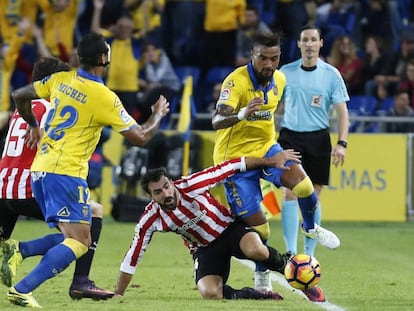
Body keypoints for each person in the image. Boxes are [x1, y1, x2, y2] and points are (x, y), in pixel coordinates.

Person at [4, 32, 169, 308]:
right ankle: (22, 288)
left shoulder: (60, 79)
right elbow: (140, 137)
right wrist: (157, 115)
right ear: (104, 59)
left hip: (41, 170)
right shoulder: (104, 97)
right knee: (80, 242)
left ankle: (20, 251)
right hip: (66, 172)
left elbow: (19, 94)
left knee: (73, 234)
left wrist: (34, 123)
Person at [211, 31, 340, 302]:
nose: (269, 64)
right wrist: (242, 113)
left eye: (275, 58)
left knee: (305, 186)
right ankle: (262, 278)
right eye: (263, 58)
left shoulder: (279, 80)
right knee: (263, 230)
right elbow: (217, 120)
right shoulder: (236, 81)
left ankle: (310, 227)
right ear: (252, 56)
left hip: (268, 149)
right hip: (234, 161)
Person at [0, 56, 115, 300]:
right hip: (29, 185)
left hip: (4, 186)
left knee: (74, 234)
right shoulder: (53, 107)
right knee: (88, 221)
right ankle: (77, 280)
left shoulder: (19, 110)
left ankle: (19, 250)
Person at [115, 152, 302, 300]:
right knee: (210, 293)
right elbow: (134, 254)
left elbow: (230, 166)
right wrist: (119, 293)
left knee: (256, 250)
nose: (166, 193)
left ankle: (291, 269)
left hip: (230, 230)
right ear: (151, 197)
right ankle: (253, 295)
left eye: (166, 186)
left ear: (171, 183)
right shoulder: (151, 218)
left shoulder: (192, 184)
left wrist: (270, 161)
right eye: (158, 192)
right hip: (205, 249)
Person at [277, 25, 350, 302]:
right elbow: (273, 105)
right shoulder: (285, 73)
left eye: (313, 40)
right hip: (291, 139)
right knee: (289, 192)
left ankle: (309, 256)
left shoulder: (331, 75)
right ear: (298, 44)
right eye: (304, 40)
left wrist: (342, 144)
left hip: (319, 139)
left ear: (321, 44)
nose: (309, 44)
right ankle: (289, 252)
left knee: (314, 197)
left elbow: (342, 112)